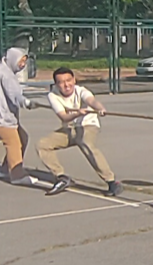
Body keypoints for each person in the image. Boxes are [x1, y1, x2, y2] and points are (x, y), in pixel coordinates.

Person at [0, 45, 67, 194]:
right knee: (14, 143)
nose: (23, 64)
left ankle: (5, 169)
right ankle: (17, 175)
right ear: (13, 59)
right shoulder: (6, 75)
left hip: (0, 115)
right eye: (21, 61)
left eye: (25, 61)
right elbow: (15, 95)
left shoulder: (3, 70)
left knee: (22, 137)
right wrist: (27, 102)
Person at [38, 67, 122, 196]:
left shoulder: (81, 91)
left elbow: (92, 101)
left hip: (88, 125)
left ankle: (111, 181)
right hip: (69, 128)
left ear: (74, 80)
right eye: (61, 82)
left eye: (68, 80)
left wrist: (100, 108)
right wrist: (77, 113)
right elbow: (64, 117)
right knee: (42, 145)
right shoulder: (53, 95)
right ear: (56, 84)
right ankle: (61, 177)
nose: (66, 85)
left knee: (85, 142)